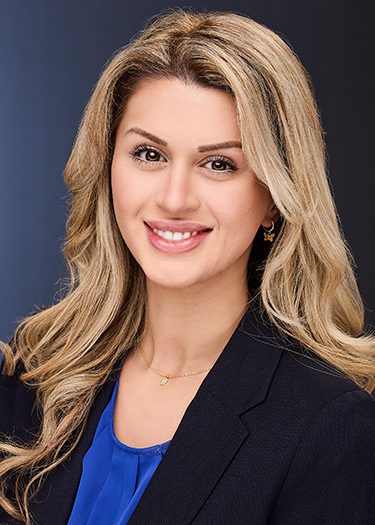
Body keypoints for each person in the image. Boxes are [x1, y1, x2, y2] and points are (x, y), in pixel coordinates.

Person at [1, 8, 374, 525]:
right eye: (149, 154)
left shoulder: (329, 427)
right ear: (108, 166)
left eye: (219, 164)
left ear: (275, 198)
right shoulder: (38, 378)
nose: (174, 199)